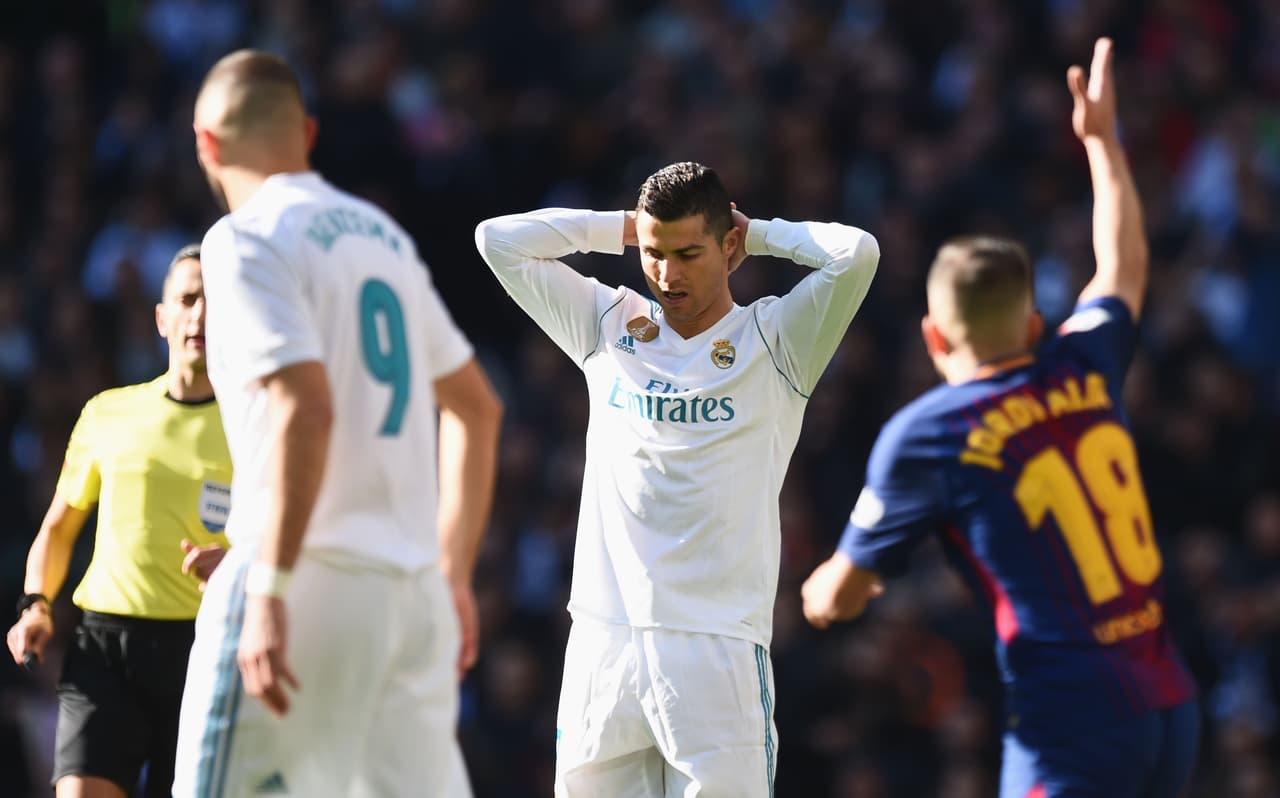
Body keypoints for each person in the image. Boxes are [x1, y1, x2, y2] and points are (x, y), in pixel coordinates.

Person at [801, 39, 1199, 798]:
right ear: (1033, 322)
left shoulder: (928, 434)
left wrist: (818, 593)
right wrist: (1103, 144)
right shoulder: (1082, 362)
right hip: (1168, 702)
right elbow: (1122, 268)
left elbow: (838, 597)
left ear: (933, 337)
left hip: (1070, 730)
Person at [476, 161, 880, 796]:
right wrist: (620, 229)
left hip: (714, 648)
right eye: (655, 253)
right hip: (603, 643)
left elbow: (857, 254)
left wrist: (764, 233)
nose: (667, 274)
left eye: (688, 252)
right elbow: (496, 240)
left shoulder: (776, 340)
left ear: (727, 246)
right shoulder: (608, 326)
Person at [173, 50, 502, 797]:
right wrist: (452, 574)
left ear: (206, 143)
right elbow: (478, 411)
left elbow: (305, 405)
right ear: (308, 133)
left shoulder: (242, 238)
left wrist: (269, 586)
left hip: (306, 583)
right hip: (412, 596)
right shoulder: (381, 237)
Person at [5, 244, 232, 798]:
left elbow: (288, 536)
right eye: (187, 299)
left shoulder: (258, 425)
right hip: (105, 646)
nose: (200, 314)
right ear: (162, 318)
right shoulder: (108, 412)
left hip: (205, 651)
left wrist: (241, 562)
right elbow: (58, 529)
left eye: (215, 300)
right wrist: (35, 604)